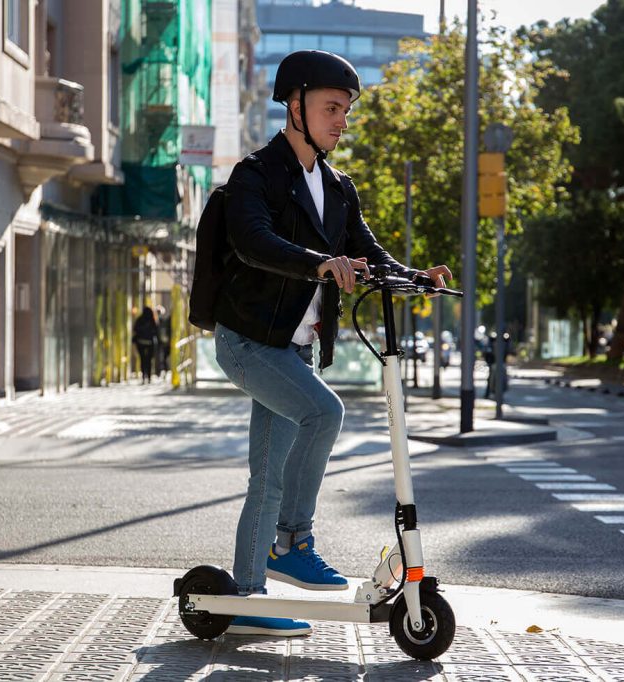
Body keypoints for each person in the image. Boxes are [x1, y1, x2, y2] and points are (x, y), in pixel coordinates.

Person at [211, 50, 452, 637]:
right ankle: (291, 542)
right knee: (325, 411)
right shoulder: (256, 175)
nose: (341, 121)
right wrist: (321, 264)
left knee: (267, 475)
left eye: (345, 111)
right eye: (331, 108)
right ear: (294, 105)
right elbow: (252, 241)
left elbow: (367, 251)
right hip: (248, 340)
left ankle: (246, 595)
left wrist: (417, 277)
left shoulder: (339, 187)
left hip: (293, 348)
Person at [132, 307, 159, 383]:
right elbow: (156, 331)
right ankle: (149, 377)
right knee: (149, 360)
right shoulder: (152, 320)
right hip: (150, 343)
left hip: (140, 342)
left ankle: (144, 376)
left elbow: (135, 329)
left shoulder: (140, 319)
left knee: (142, 360)